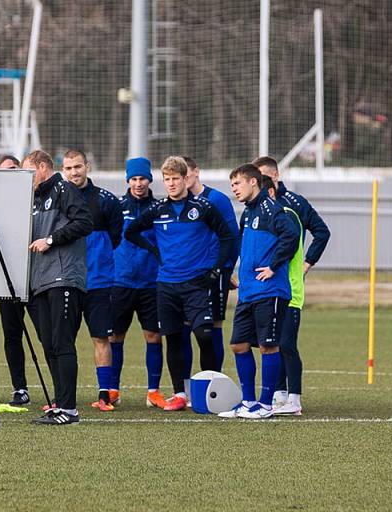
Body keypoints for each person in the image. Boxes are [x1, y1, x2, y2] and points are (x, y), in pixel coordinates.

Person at [125, 156, 234, 412]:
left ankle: (209, 391)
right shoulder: (157, 209)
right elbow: (130, 232)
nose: (171, 184)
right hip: (166, 286)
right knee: (173, 339)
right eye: (167, 179)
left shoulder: (204, 207)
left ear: (186, 179)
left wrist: (217, 269)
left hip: (197, 284)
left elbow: (227, 237)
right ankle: (179, 394)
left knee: (204, 336)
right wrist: (154, 251)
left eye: (175, 178)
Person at [219, 163, 300, 419]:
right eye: (232, 185)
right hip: (248, 292)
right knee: (238, 345)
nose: (234, 189)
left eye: (237, 184)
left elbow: (292, 235)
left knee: (268, 346)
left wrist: (274, 266)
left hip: (270, 290)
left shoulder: (271, 209)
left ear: (253, 182)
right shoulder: (247, 213)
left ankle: (265, 405)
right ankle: (248, 402)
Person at [252, 156, 331, 415]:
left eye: (263, 179)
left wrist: (307, 263)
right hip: (267, 288)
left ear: (274, 177)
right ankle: (280, 394)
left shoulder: (290, 208)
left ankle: (293, 399)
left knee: (286, 343)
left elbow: (320, 232)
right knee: (273, 341)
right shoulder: (258, 209)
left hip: (289, 287)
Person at [23, 150, 92, 425]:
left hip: (63, 277)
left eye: (28, 171)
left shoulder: (65, 189)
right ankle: (59, 403)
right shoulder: (33, 199)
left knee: (62, 342)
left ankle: (69, 409)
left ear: (42, 167)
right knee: (49, 344)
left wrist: (51, 240)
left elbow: (84, 222)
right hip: (39, 281)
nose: (25, 178)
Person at [61, 149, 123, 412]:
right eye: (68, 168)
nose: (74, 172)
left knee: (101, 338)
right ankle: (63, 396)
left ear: (87, 166)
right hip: (66, 281)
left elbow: (116, 236)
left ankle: (104, 395)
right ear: (62, 171)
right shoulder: (59, 198)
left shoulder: (106, 200)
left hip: (98, 282)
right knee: (64, 340)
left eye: (78, 166)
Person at [110, 157, 168, 409]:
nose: (138, 183)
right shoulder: (116, 206)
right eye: (133, 179)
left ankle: (153, 391)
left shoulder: (159, 208)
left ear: (150, 179)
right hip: (120, 281)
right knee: (114, 337)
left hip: (150, 282)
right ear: (127, 181)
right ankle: (112, 390)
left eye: (142, 178)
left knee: (153, 336)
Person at [183, 155, 240, 372]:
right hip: (187, 276)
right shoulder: (180, 202)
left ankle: (214, 382)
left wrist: (225, 270)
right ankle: (185, 388)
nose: (183, 179)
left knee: (213, 325)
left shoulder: (217, 199)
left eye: (186, 174)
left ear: (196, 172)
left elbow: (232, 237)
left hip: (214, 275)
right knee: (184, 328)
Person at [0, 154, 32, 405]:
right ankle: (20, 388)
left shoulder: (35, 198)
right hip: (7, 277)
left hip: (36, 276)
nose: (12, 172)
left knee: (47, 335)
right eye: (6, 169)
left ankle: (59, 390)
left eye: (15, 168)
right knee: (12, 334)